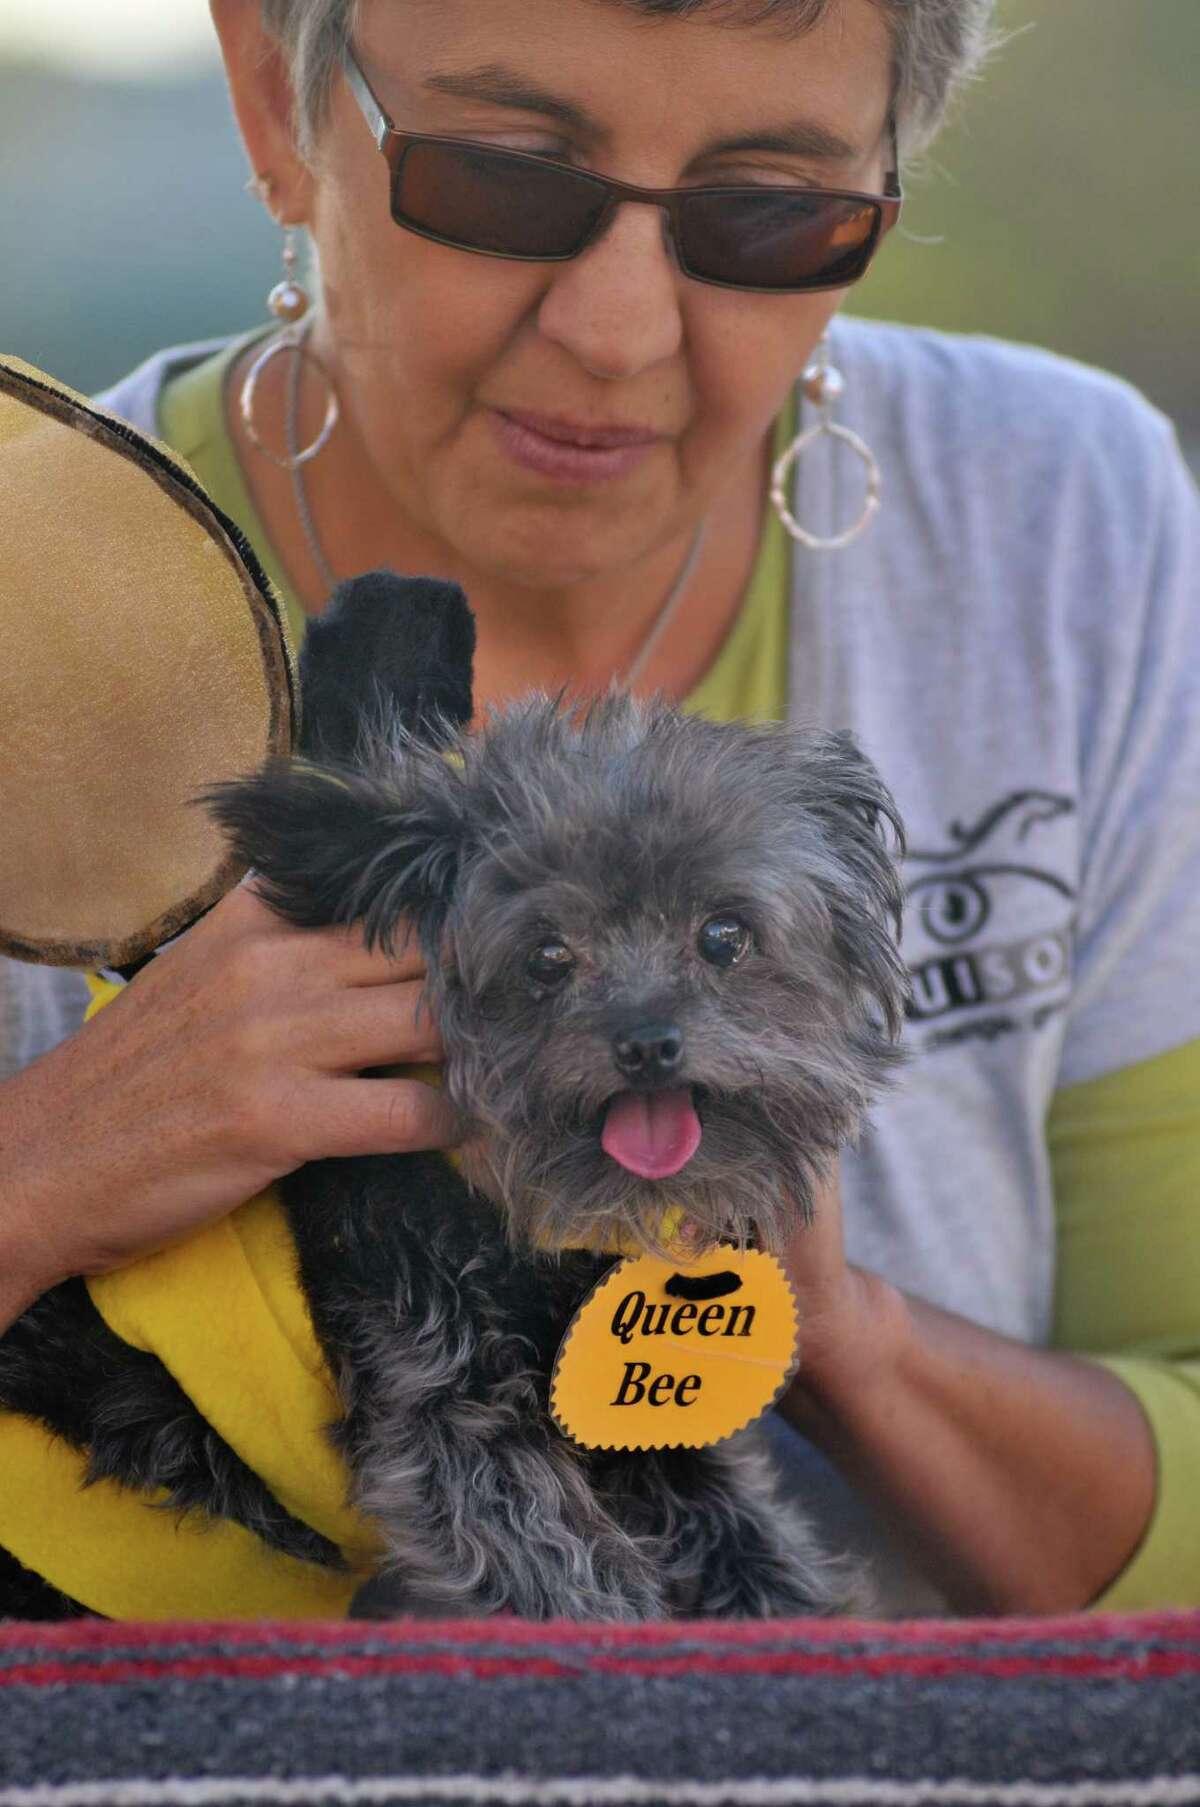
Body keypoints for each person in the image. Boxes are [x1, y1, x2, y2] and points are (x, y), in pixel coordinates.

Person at [1, 0, 1197, 1617]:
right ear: (276, 102)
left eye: (772, 207)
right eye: (503, 179)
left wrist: (841, 1327)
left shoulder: (1060, 526)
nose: (620, 330)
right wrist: (44, 1170)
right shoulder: (31, 616)